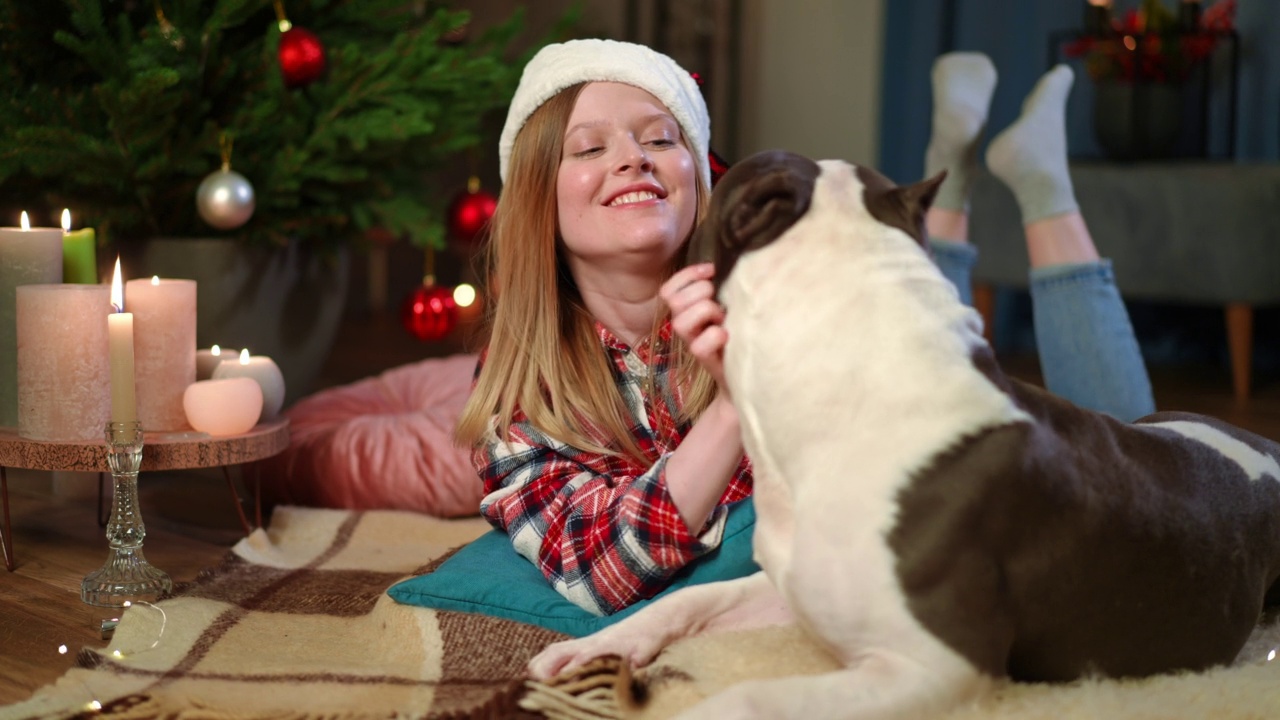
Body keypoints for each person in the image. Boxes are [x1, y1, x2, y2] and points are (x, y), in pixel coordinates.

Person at [454, 40, 1156, 617]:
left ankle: (1035, 190)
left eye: (661, 139)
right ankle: (963, 177)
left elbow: (939, 400)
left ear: (699, 179)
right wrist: (735, 403)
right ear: (537, 200)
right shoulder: (520, 391)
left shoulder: (780, 275)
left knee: (1139, 484)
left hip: (941, 436)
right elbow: (601, 571)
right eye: (588, 150)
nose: (631, 158)